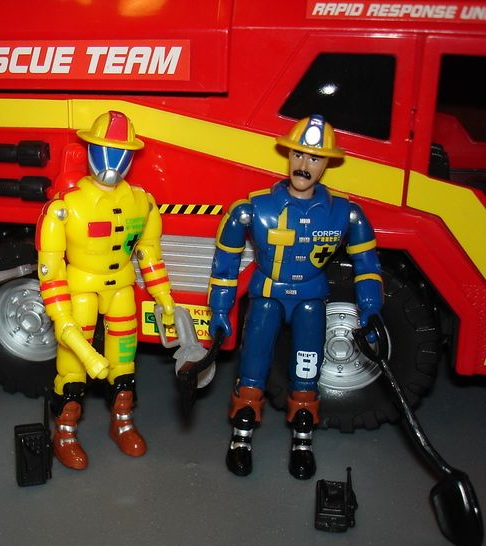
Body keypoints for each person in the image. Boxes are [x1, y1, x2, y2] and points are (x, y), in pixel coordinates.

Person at [208, 115, 383, 479]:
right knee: (253, 366)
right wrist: (221, 307)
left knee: (307, 368)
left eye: (314, 158)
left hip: (310, 301)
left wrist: (370, 306)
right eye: (299, 155)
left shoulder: (345, 214)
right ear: (288, 155)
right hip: (267, 297)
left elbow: (367, 263)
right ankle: (241, 438)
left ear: (327, 163)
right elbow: (225, 263)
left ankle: (302, 441)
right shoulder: (254, 209)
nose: (304, 165)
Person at [36, 110, 176, 470]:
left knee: (124, 363)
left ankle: (122, 422)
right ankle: (64, 432)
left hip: (122, 290)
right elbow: (51, 271)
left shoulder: (142, 202)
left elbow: (149, 253)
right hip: (80, 290)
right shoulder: (65, 208)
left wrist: (163, 296)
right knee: (72, 368)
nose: (112, 162)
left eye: (121, 153)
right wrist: (62, 318)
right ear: (89, 151)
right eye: (104, 151)